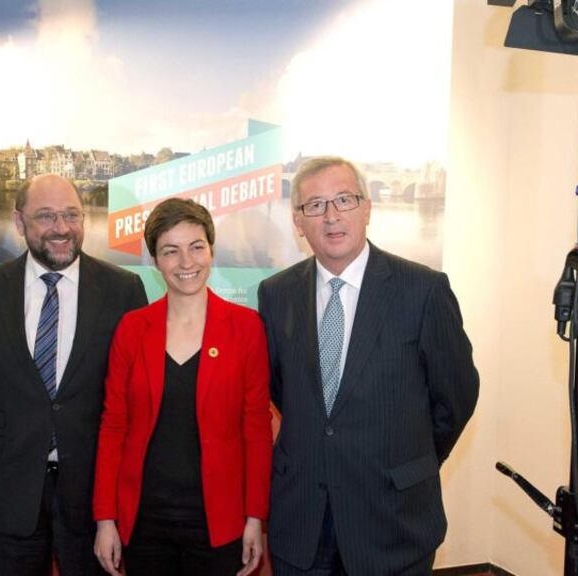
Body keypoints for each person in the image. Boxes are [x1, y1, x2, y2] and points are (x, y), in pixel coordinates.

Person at [258, 156, 479, 575]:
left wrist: (411, 460)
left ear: (367, 208)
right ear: (298, 222)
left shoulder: (423, 290)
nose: (332, 216)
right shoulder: (276, 294)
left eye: (344, 199)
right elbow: (279, 390)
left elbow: (456, 396)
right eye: (316, 205)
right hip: (303, 519)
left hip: (393, 518)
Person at [0, 174, 148, 575]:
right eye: (46, 216)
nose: (62, 228)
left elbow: (136, 402)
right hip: (7, 491)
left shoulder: (124, 289)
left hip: (94, 497)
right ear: (19, 222)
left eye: (72, 215)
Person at [94, 198, 273, 576]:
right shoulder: (132, 328)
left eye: (196, 247)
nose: (186, 262)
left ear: (211, 249)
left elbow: (256, 429)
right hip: (144, 522)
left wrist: (255, 517)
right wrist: (105, 519)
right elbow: (113, 427)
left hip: (219, 523)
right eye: (170, 251)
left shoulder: (246, 327)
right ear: (156, 261)